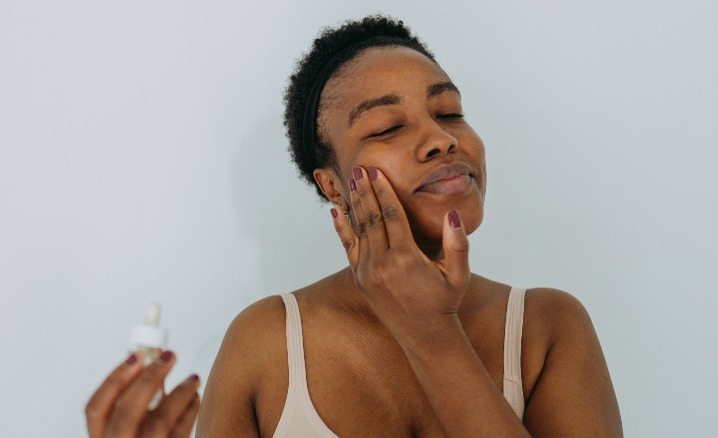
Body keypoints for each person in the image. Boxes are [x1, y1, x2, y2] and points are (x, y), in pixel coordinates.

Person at [86, 15, 622, 437]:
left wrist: (432, 333)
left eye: (451, 112)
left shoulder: (549, 327)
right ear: (333, 185)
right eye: (388, 126)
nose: (442, 138)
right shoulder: (267, 343)